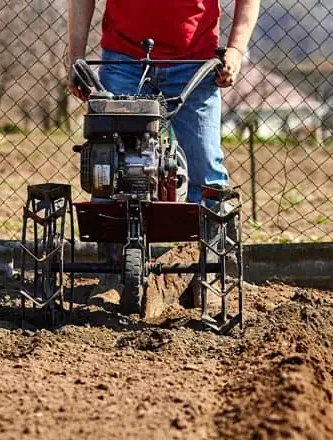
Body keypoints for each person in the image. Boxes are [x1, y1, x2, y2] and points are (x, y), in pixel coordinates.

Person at [67, 0, 260, 305]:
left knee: (206, 168)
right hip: (124, 60)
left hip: (195, 62)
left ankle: (210, 273)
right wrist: (76, 56)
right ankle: (113, 272)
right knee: (109, 163)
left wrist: (235, 50)